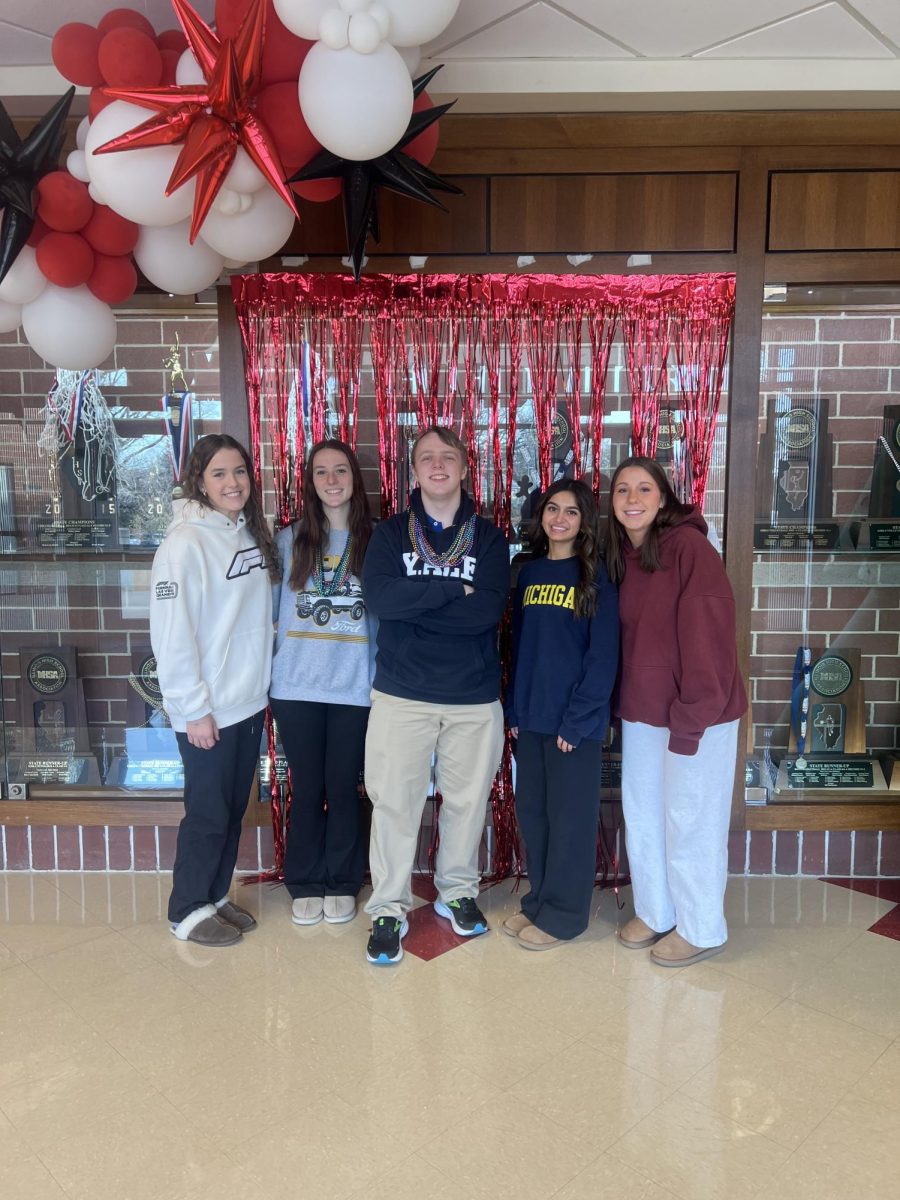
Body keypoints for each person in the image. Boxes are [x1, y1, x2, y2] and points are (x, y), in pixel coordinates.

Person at [362, 425, 510, 964]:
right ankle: (388, 908)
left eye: (448, 456)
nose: (438, 465)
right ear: (415, 470)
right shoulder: (388, 535)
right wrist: (453, 589)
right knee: (395, 803)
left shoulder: (490, 539)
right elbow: (381, 598)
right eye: (427, 457)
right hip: (403, 693)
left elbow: (487, 611)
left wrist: (419, 602)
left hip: (473, 696)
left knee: (468, 802)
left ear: (465, 467)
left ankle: (457, 893)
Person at [606, 456, 747, 967]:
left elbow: (710, 639)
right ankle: (658, 909)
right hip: (645, 712)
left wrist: (693, 719)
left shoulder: (689, 549)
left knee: (692, 819)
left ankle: (702, 926)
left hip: (697, 713)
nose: (633, 499)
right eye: (623, 491)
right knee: (644, 814)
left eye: (645, 489)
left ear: (664, 498)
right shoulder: (625, 555)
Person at [150, 434, 280, 947]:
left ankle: (214, 895)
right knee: (207, 813)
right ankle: (186, 909)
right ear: (199, 481)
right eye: (220, 474)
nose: (233, 483)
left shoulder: (246, 532)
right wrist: (193, 710)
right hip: (207, 711)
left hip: (247, 701)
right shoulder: (184, 544)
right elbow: (172, 635)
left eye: (240, 472)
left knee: (231, 810)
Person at [505, 479, 619, 950]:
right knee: (535, 816)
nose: (559, 519)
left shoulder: (596, 578)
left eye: (571, 512)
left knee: (570, 820)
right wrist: (514, 707)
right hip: (531, 718)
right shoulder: (527, 574)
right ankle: (540, 900)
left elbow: (603, 658)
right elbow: (517, 648)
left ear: (585, 521)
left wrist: (577, 720)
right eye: (552, 509)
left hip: (575, 725)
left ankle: (566, 916)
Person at [270, 439, 375, 927]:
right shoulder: (290, 542)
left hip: (356, 688)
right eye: (320, 473)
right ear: (309, 483)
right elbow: (266, 615)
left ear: (355, 478)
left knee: (345, 785)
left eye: (340, 471)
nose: (331, 481)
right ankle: (305, 879)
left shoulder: (376, 542)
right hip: (295, 687)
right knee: (308, 788)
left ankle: (344, 879)